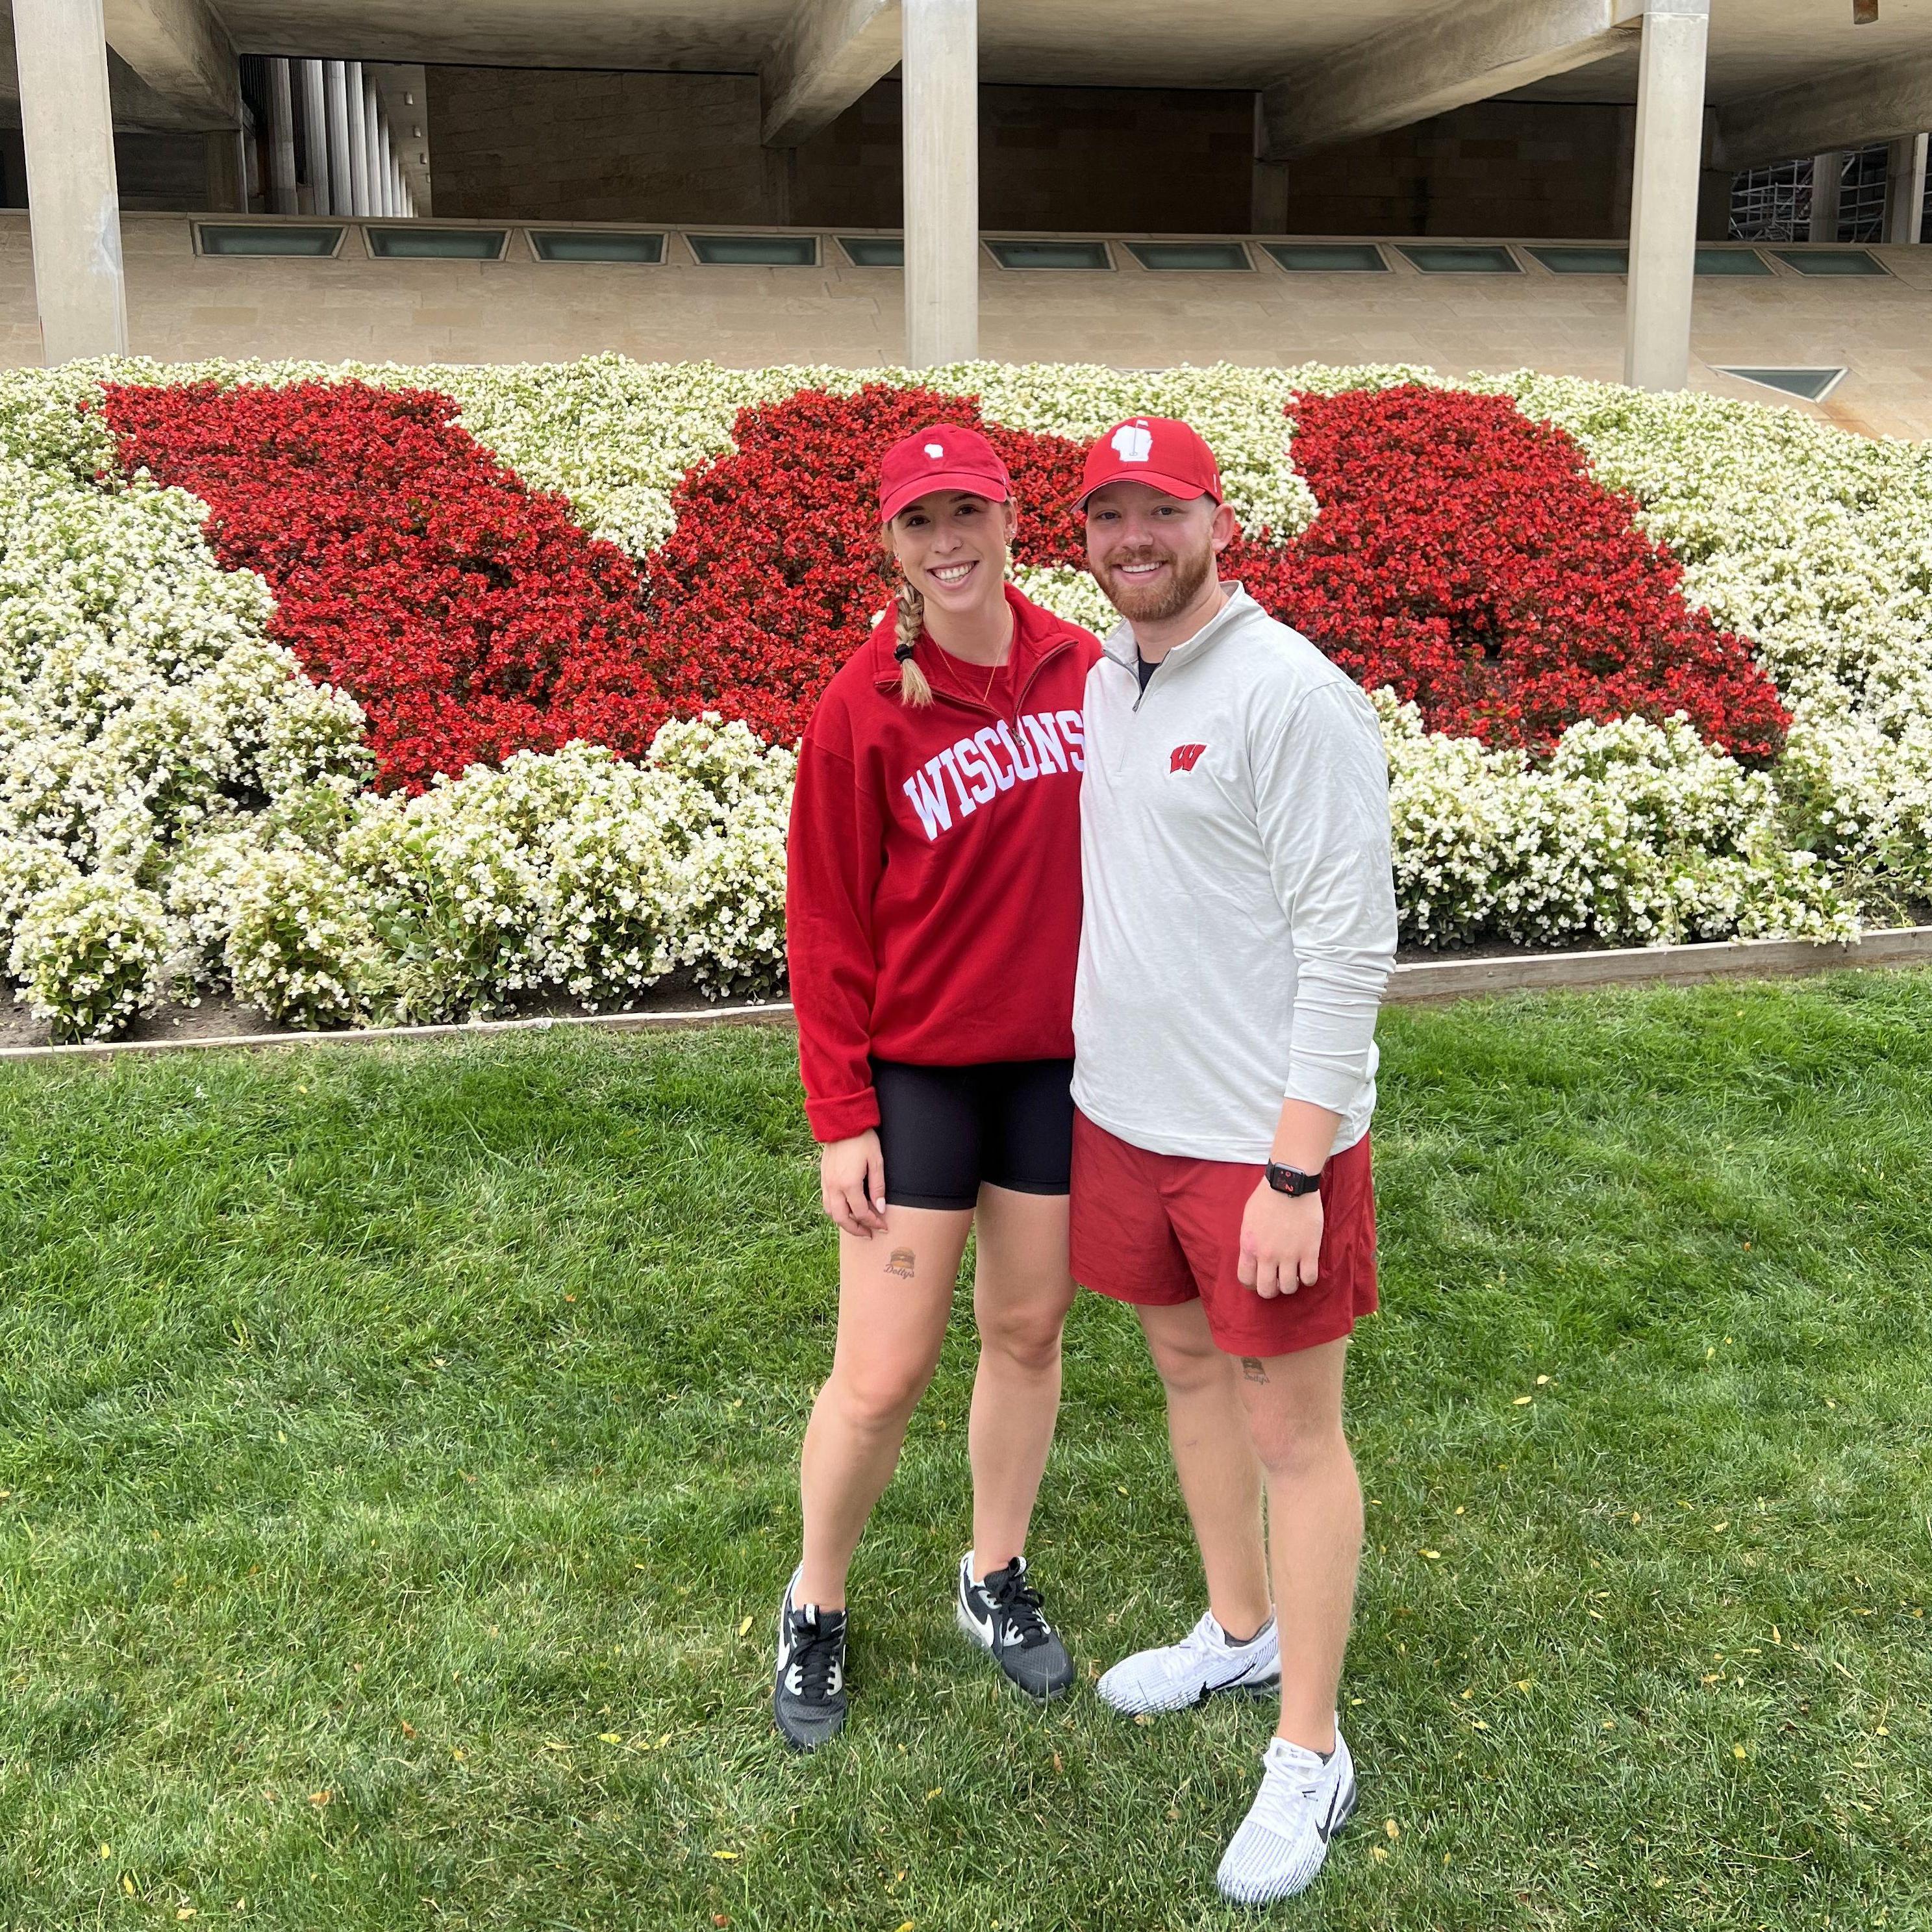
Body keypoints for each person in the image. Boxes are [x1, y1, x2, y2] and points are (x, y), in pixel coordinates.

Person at [1068, 417, 1397, 1903]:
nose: (1136, 539)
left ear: (1218, 521)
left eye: (1162, 513)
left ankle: (1311, 1748)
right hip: (1125, 1123)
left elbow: (1349, 947)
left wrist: (1293, 1172)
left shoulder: (1292, 694)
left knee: (1293, 1435)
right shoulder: (1101, 679)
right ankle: (1239, 1627)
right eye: (1108, 517)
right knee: (1189, 1376)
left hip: (1258, 1150)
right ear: (1083, 538)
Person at [773, 423, 1103, 1751]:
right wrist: (839, 1115)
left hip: (1053, 1070)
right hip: (917, 1078)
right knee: (883, 1371)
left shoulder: (1087, 671)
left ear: (1014, 518)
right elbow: (827, 926)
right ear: (891, 546)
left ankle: (992, 1573)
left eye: (968, 511)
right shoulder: (863, 708)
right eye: (921, 522)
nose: (948, 542)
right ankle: (816, 1600)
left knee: (1028, 1333)